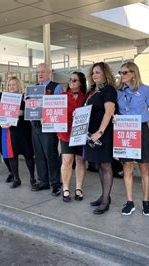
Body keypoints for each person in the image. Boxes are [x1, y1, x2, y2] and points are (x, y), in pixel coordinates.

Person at [115, 62, 149, 216]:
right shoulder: (118, 91)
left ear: (134, 73)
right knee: (127, 167)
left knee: (144, 167)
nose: (122, 75)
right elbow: (113, 111)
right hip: (124, 130)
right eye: (121, 72)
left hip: (141, 128)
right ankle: (129, 202)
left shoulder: (145, 89)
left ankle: (146, 202)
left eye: (125, 72)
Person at [84, 62, 117, 215]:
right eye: (93, 73)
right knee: (98, 165)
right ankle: (104, 196)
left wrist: (100, 132)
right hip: (91, 134)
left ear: (105, 74)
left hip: (103, 133)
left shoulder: (108, 89)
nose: (94, 75)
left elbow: (109, 112)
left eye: (97, 72)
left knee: (106, 166)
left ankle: (105, 201)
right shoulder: (92, 91)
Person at [31, 63, 63, 196]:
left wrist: (48, 116)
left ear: (50, 72)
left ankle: (55, 183)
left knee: (51, 154)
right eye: (38, 72)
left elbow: (61, 106)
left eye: (43, 71)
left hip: (49, 127)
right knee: (38, 154)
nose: (40, 74)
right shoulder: (34, 88)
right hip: (35, 125)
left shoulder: (56, 87)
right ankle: (43, 181)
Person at [0, 77, 36, 188]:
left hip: (24, 130)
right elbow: (0, 114)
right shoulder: (4, 98)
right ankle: (16, 179)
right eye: (9, 85)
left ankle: (32, 178)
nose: (11, 87)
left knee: (28, 155)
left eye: (14, 84)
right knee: (12, 156)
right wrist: (1, 123)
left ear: (19, 85)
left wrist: (22, 112)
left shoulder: (26, 97)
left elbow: (33, 111)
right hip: (12, 131)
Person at [58, 72, 87, 202]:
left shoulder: (87, 97)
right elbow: (54, 112)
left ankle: (79, 188)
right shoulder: (61, 97)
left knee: (80, 160)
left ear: (81, 82)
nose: (71, 82)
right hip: (65, 133)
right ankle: (65, 188)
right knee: (67, 160)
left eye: (74, 80)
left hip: (81, 133)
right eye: (70, 79)